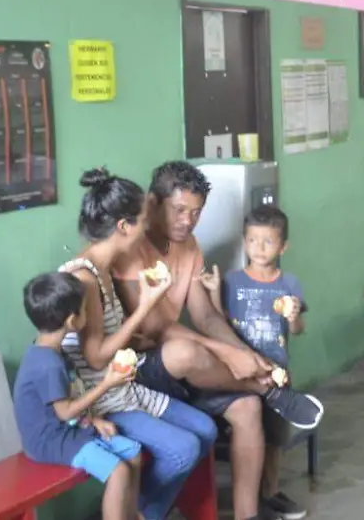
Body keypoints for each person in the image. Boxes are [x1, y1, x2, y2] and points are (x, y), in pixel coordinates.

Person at [112, 162, 323, 520]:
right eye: (179, 210)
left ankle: (246, 515)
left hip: (183, 370)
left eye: (196, 212)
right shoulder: (132, 248)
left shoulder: (189, 245)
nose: (188, 221)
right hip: (139, 369)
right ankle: (265, 389)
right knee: (185, 352)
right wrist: (228, 353)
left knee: (246, 408)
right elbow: (155, 327)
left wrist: (245, 353)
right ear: (152, 202)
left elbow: (206, 316)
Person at [61, 168, 218, 520]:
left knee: (206, 430)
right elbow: (96, 359)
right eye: (143, 221)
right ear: (123, 227)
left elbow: (108, 340)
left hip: (124, 388)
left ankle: (139, 512)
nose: (146, 229)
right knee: (182, 450)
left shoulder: (102, 269)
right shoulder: (85, 277)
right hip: (100, 398)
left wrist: (137, 335)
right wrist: (146, 306)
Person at [14, 271, 143, 520]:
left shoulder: (51, 351)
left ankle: (131, 515)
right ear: (73, 320)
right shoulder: (48, 364)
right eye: (85, 309)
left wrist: (92, 420)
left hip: (67, 429)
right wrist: (107, 383)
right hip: (49, 441)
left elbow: (63, 405)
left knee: (133, 453)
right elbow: (64, 412)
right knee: (118, 471)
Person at [209, 205, 309, 514]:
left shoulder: (288, 284)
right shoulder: (233, 281)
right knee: (248, 431)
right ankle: (248, 497)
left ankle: (271, 491)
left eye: (268, 241)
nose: (259, 248)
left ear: (283, 247)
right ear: (245, 241)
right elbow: (218, 320)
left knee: (275, 437)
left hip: (277, 373)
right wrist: (212, 292)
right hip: (240, 372)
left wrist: (293, 316)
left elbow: (298, 329)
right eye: (252, 240)